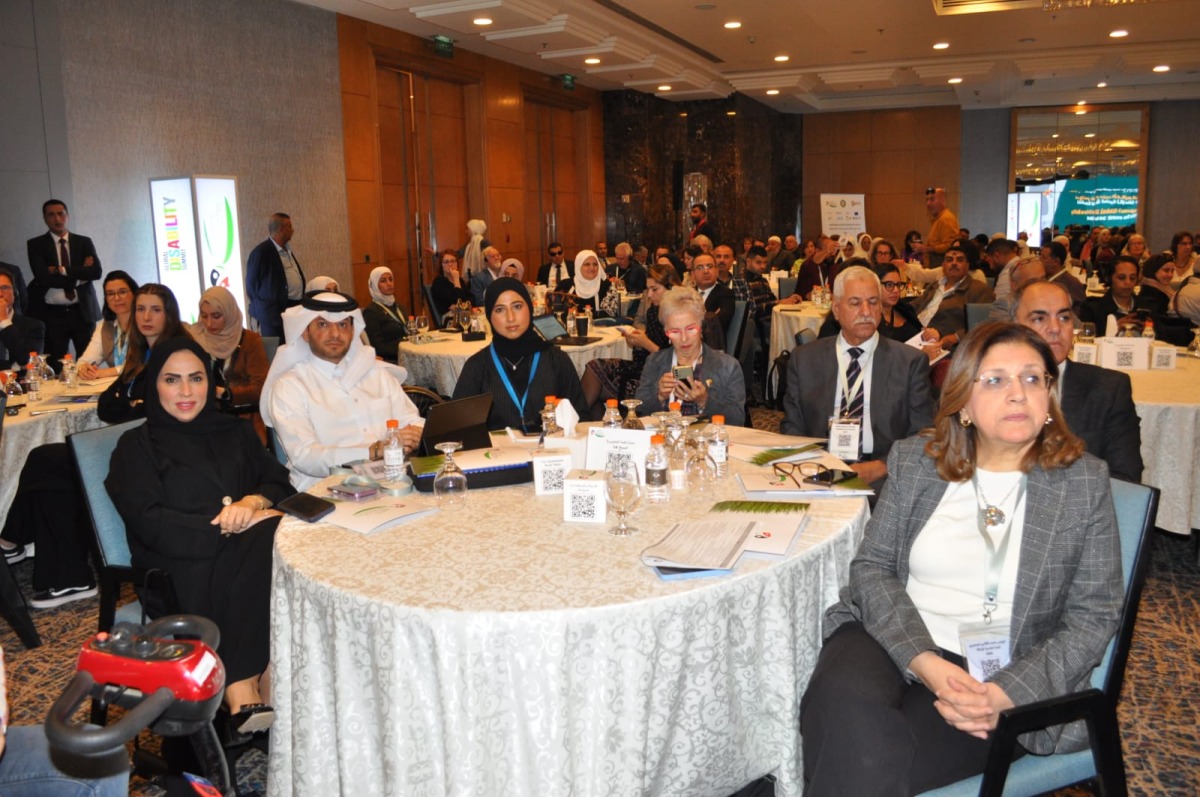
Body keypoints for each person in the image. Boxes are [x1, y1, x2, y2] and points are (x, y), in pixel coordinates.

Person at [801, 322, 1122, 796]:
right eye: (995, 379)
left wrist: (1006, 693)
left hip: (999, 671)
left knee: (863, 757)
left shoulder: (1082, 484)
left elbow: (1093, 617)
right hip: (887, 634)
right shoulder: (917, 461)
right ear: (964, 403)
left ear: (1049, 397)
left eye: (1032, 378)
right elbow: (872, 569)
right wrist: (925, 662)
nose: (1018, 393)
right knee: (847, 719)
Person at [107, 337, 294, 740]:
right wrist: (230, 527)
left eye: (196, 378)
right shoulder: (135, 447)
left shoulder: (235, 432)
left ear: (210, 382)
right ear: (154, 385)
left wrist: (252, 501)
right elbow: (148, 522)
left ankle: (255, 686)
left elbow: (280, 483)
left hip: (249, 562)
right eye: (172, 380)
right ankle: (245, 684)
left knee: (273, 537)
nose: (186, 391)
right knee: (268, 536)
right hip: (180, 570)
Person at [781, 266, 934, 489]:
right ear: (836, 309)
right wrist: (811, 463)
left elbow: (924, 433)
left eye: (873, 302)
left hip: (883, 475)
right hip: (819, 468)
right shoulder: (804, 359)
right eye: (855, 303)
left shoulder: (909, 362)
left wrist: (883, 466)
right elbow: (793, 425)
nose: (866, 311)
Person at [262, 291, 423, 490]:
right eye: (323, 324)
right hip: (324, 491)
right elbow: (305, 456)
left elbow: (412, 421)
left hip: (392, 482)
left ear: (352, 331)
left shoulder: (378, 375)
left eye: (343, 325)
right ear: (305, 332)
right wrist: (373, 451)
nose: (335, 334)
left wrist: (416, 434)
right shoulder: (289, 387)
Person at [1014, 280, 1143, 482]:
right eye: (1039, 318)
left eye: (1064, 317)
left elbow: (1124, 480)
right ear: (1014, 327)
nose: (1055, 328)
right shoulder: (989, 387)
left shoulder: (1108, 389)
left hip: (1079, 501)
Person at [453, 278, 586, 431]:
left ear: (529, 308)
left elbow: (581, 418)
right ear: (489, 316)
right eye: (500, 310)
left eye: (517, 307)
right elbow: (458, 429)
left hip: (551, 445)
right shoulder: (477, 366)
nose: (510, 318)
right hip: (497, 447)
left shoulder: (556, 360)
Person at [634, 286, 746, 425]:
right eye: (675, 331)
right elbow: (639, 412)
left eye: (690, 329)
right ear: (666, 332)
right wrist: (659, 396)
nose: (684, 338)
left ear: (701, 327)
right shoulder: (654, 362)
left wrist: (705, 401)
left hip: (706, 437)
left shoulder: (727, 366)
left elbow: (737, 420)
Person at [581, 261, 678, 415]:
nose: (649, 295)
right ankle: (586, 421)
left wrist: (645, 343)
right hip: (643, 366)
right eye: (648, 289)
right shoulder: (654, 311)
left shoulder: (679, 318)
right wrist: (637, 341)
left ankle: (579, 419)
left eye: (654, 289)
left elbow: (676, 361)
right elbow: (647, 348)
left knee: (595, 382)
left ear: (671, 289)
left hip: (658, 377)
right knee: (594, 366)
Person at [97, 283, 192, 425]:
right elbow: (104, 408)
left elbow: (154, 411)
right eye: (140, 309)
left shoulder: (178, 354)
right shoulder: (140, 353)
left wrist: (128, 403)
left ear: (169, 314)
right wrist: (132, 404)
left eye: (156, 310)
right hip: (136, 431)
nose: (146, 317)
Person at [26, 199, 102, 371]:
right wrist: (80, 275)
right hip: (52, 314)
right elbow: (43, 278)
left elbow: (96, 272)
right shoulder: (36, 244)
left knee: (89, 362)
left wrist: (60, 270)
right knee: (55, 364)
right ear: (45, 218)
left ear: (67, 216)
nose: (57, 219)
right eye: (51, 215)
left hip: (82, 311)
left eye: (61, 214)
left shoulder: (83, 242)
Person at [191, 286, 270, 442]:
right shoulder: (195, 338)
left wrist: (224, 393)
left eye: (216, 316)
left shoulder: (250, 341)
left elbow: (261, 389)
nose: (209, 323)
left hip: (242, 421)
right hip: (203, 420)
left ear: (229, 312)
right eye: (204, 316)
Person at [911, 241, 995, 352]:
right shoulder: (935, 285)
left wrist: (956, 337)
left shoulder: (979, 289)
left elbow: (988, 322)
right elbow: (914, 305)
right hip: (915, 335)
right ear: (943, 265)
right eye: (949, 260)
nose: (954, 263)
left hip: (941, 344)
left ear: (967, 266)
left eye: (960, 260)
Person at [245, 212, 305, 338]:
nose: (293, 230)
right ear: (281, 230)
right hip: (273, 316)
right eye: (289, 226)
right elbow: (251, 285)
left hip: (293, 310)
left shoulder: (287, 250)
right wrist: (264, 307)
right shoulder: (261, 252)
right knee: (276, 348)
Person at [77, 270, 139, 381]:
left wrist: (107, 372)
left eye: (122, 292)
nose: (117, 298)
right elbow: (84, 361)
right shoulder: (103, 327)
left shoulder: (146, 324)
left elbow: (144, 363)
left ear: (135, 294)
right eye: (110, 294)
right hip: (116, 385)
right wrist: (83, 368)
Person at [1132, 253, 1192, 346]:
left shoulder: (1161, 289)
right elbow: (1160, 321)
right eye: (1166, 270)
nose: (1170, 275)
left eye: (1172, 271)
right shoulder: (1151, 292)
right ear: (1153, 270)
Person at [1079, 256, 1140, 335]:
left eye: (1132, 278)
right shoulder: (1092, 309)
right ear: (1109, 278)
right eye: (1121, 278)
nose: (1128, 282)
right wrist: (1113, 329)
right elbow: (1087, 338)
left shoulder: (1146, 307)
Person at [361, 266, 409, 364]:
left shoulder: (399, 307)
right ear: (375, 285)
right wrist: (405, 346)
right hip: (389, 361)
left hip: (406, 354)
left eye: (391, 279)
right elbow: (378, 347)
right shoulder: (371, 312)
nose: (389, 283)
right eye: (383, 281)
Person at [0, 270, 44, 372]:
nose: (0, 294)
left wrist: (5, 321)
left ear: (14, 293)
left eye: (5, 288)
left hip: (18, 380)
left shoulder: (33, 326)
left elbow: (26, 361)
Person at [556, 250, 619, 317]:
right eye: (587, 264)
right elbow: (557, 312)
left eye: (595, 264)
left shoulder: (608, 286)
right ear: (578, 266)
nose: (592, 268)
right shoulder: (565, 286)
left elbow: (608, 315)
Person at [914, 188, 959, 268]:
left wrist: (927, 248)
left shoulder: (946, 218)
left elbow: (951, 245)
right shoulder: (938, 219)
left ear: (943, 201)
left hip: (942, 268)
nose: (928, 203)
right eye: (927, 200)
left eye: (932, 199)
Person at [431, 248, 472, 318]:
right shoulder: (439, 282)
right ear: (441, 265)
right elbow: (457, 300)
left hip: (464, 314)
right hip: (449, 317)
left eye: (453, 261)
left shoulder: (460, 280)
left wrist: (465, 304)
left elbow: (471, 297)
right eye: (446, 262)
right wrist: (456, 279)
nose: (450, 264)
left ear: (457, 264)